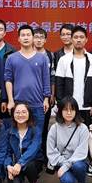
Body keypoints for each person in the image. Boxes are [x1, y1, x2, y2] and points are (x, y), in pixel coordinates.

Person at [5, 25, 51, 141]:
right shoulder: (11, 58)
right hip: (18, 104)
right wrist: (10, 100)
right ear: (18, 39)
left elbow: (46, 79)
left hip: (37, 103)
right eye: (23, 35)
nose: (26, 37)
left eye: (28, 35)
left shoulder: (42, 58)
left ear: (33, 38)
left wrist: (46, 99)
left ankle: (36, 154)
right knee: (19, 136)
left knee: (37, 136)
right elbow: (8, 80)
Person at [55, 26, 92, 125]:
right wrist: (61, 105)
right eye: (76, 37)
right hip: (68, 108)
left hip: (87, 108)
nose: (78, 40)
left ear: (86, 39)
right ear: (72, 39)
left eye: (81, 37)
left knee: (86, 133)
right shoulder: (64, 60)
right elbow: (59, 85)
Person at [46, 96, 90, 183]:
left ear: (76, 111)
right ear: (60, 111)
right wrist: (63, 164)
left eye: (72, 110)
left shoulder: (83, 128)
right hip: (61, 162)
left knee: (78, 166)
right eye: (65, 109)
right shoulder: (54, 128)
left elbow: (81, 152)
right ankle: (69, 179)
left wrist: (66, 166)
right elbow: (51, 151)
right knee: (67, 182)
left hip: (78, 161)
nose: (69, 113)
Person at [5, 102, 44, 183]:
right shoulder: (9, 132)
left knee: (30, 166)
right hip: (16, 162)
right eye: (17, 112)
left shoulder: (35, 130)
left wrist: (20, 163)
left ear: (29, 114)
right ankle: (21, 182)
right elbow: (7, 152)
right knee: (12, 182)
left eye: (24, 112)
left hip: (32, 162)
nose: (20, 115)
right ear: (13, 115)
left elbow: (33, 149)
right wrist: (8, 166)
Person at [34, 27, 56, 155]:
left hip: (45, 97)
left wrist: (51, 94)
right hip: (31, 96)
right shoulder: (27, 54)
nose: (38, 40)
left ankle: (43, 155)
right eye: (36, 37)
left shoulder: (50, 55)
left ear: (45, 40)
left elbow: (52, 76)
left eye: (41, 37)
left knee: (43, 127)